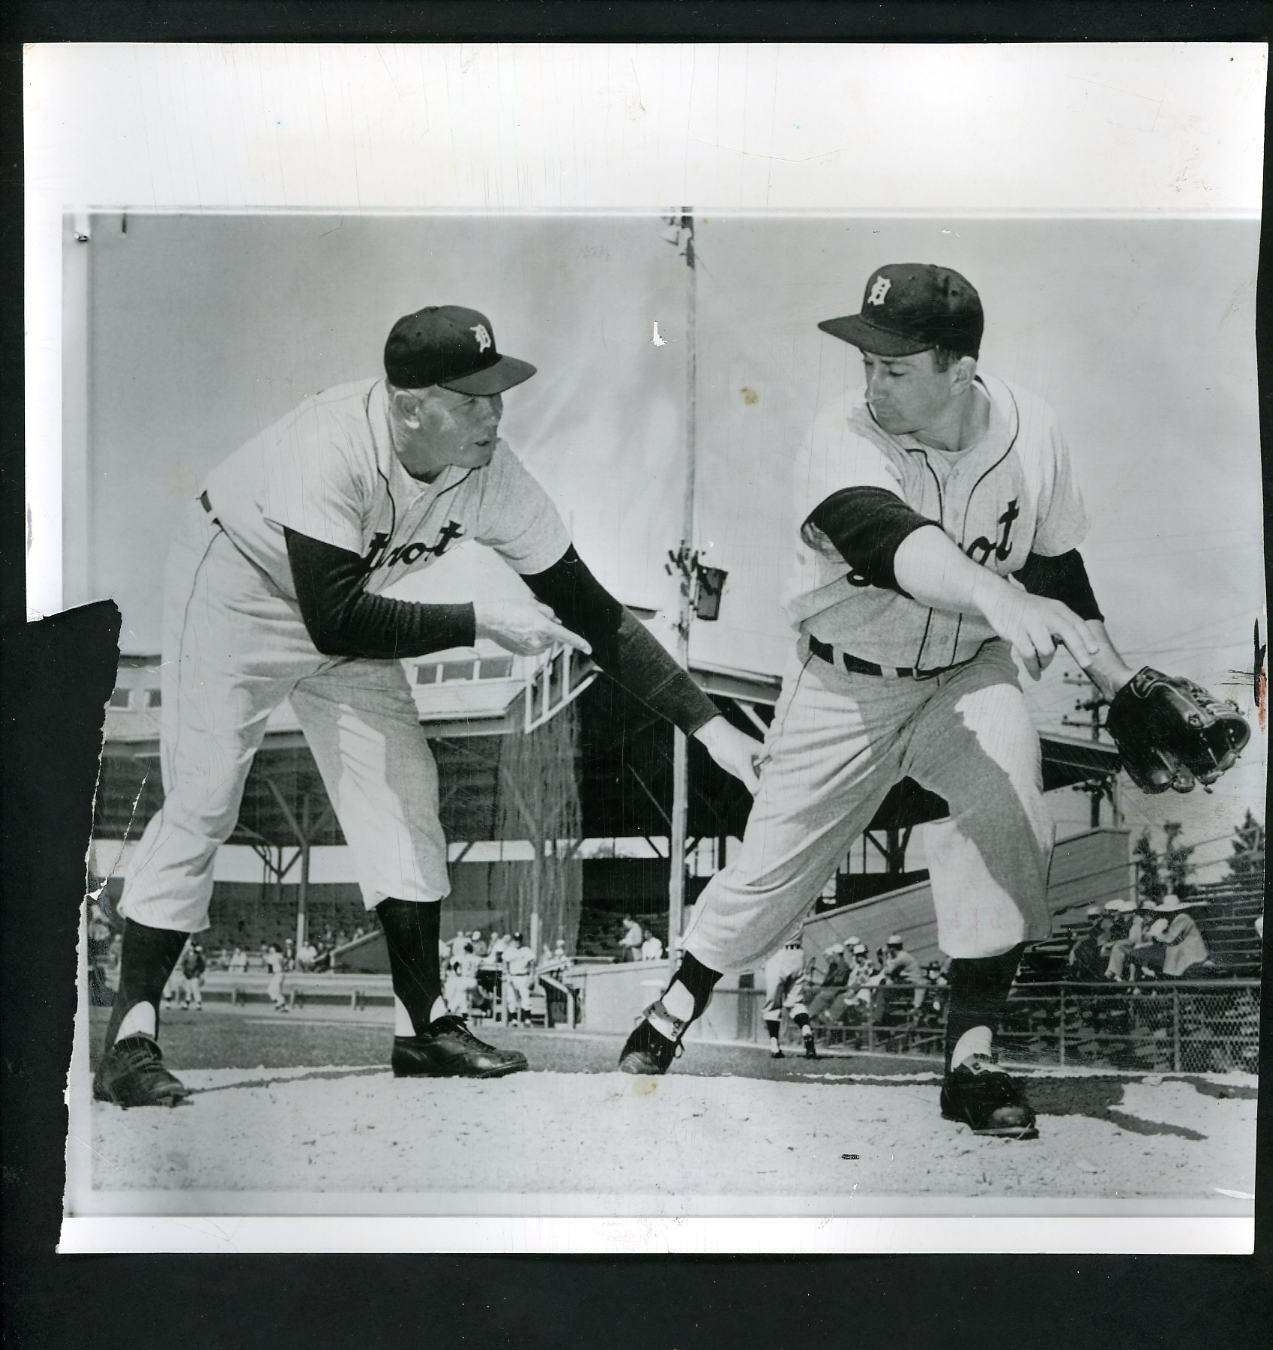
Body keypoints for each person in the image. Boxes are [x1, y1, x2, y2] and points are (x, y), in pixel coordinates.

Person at [92, 303, 761, 1108]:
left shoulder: (492, 472)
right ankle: (130, 1037)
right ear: (409, 405)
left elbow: (592, 609)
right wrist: (476, 622)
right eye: (471, 400)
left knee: (405, 796)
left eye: (498, 394)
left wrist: (710, 724)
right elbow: (333, 616)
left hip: (348, 606)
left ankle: (426, 1027)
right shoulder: (331, 442)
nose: (494, 415)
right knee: (202, 797)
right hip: (238, 586)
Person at [618, 261, 1151, 1141]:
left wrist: (1115, 677)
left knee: (1012, 814)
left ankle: (971, 1059)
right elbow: (891, 541)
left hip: (965, 676)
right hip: (843, 681)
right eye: (865, 362)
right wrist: (1000, 595)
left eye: (895, 367)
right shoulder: (841, 436)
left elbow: (1056, 565)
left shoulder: (1032, 432)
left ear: (959, 369)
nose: (872, 382)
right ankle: (679, 998)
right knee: (770, 871)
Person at [761, 935, 818, 1060]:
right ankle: (806, 1028)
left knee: (772, 1005)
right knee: (796, 1003)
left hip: (779, 954)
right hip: (798, 954)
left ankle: (775, 1046)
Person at [1127, 893, 1210, 979]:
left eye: (1168, 912)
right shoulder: (1174, 919)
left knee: (1164, 957)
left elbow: (1170, 939)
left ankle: (1162, 979)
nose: (1166, 914)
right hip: (1181, 950)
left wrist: (1156, 935)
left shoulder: (1182, 918)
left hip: (1192, 952)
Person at [502, 932, 537, 1026]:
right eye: (515, 940)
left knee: (525, 998)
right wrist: (507, 974)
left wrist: (531, 976)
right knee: (511, 999)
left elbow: (532, 963)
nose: (517, 942)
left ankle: (527, 1020)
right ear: (513, 940)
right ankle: (514, 1020)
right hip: (512, 976)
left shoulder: (526, 950)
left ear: (521, 940)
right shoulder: (509, 950)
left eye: (519, 940)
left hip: (523, 976)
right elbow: (505, 963)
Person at [177, 939, 207, 1010]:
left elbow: (201, 966)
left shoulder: (198, 955)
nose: (192, 947)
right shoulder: (186, 954)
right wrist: (185, 972)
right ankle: (186, 1004)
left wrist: (197, 973)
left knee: (195, 989)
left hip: (194, 974)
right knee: (188, 990)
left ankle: (198, 1004)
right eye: (191, 946)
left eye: (193, 946)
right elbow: (183, 964)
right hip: (188, 974)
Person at [264, 943, 288, 1012]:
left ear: (275, 949)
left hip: (277, 974)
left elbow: (270, 969)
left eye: (272, 948)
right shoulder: (280, 955)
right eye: (270, 948)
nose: (271, 949)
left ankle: (282, 1006)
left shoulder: (273, 956)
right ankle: (280, 1005)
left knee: (273, 991)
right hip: (280, 974)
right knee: (274, 991)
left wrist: (265, 959)